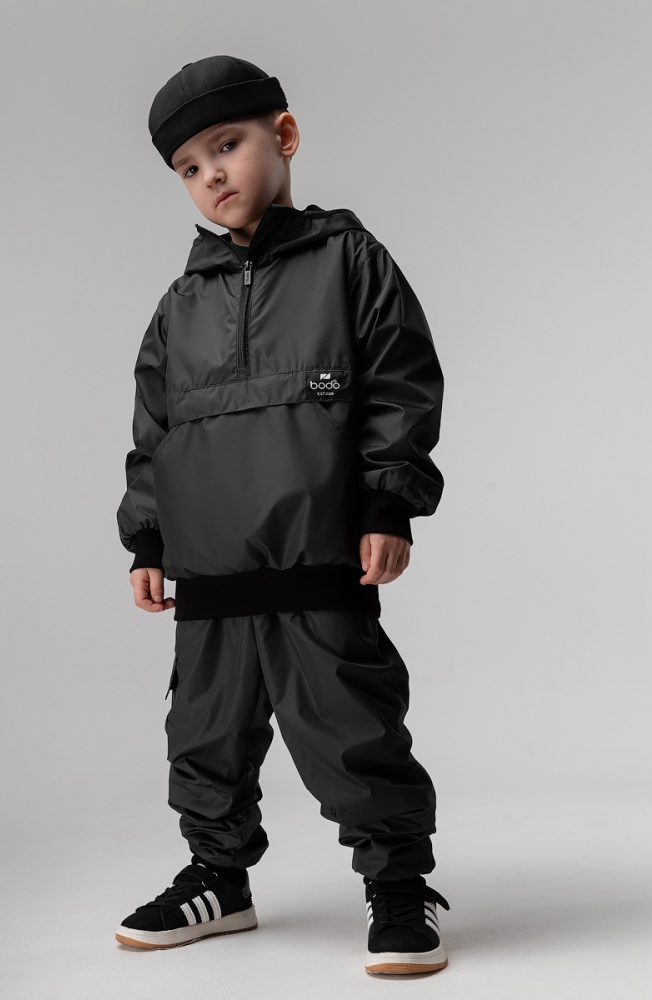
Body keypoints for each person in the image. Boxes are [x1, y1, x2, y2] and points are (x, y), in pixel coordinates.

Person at [114, 54, 451, 976]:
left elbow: (400, 384)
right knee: (204, 736)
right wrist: (147, 536)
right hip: (211, 573)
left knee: (351, 726)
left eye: (227, 146)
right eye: (189, 166)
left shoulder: (349, 262)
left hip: (316, 557)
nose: (211, 174)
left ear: (285, 136)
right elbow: (154, 430)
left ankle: (398, 884)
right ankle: (218, 876)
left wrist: (389, 502)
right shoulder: (180, 306)